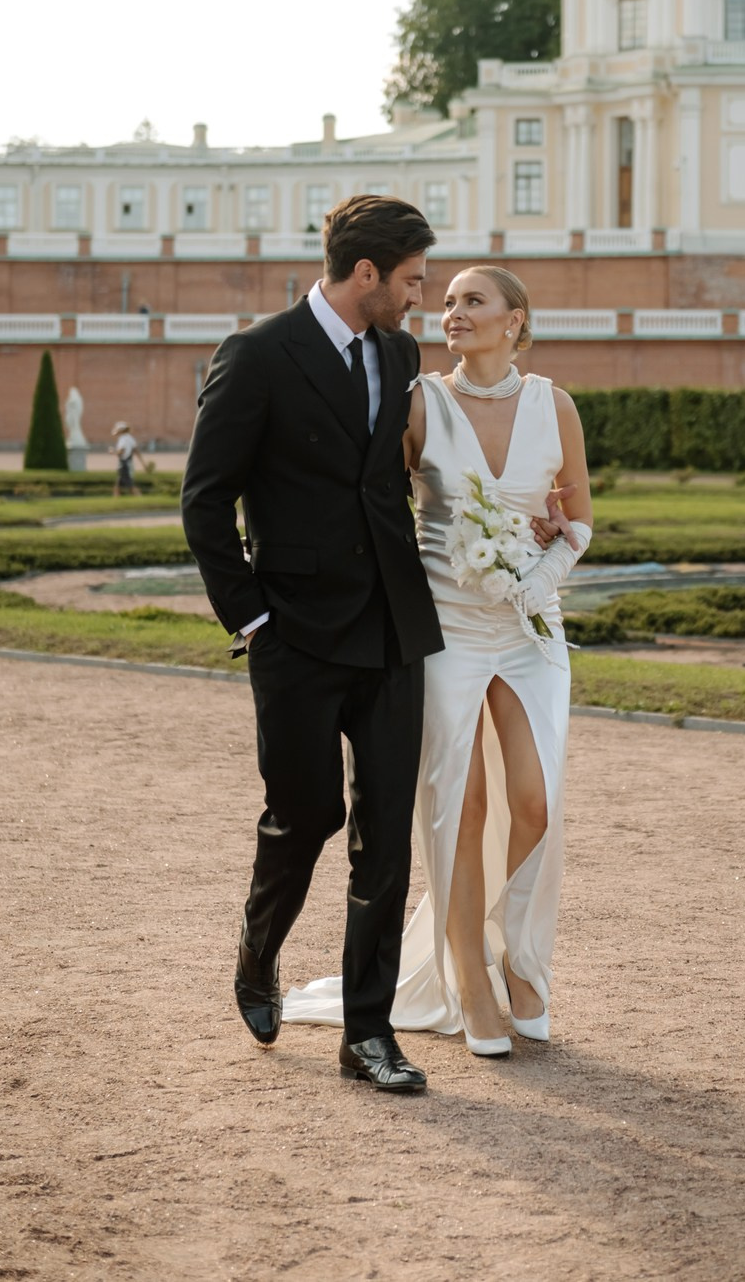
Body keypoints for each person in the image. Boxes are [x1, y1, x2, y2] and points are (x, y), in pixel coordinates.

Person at [284, 265, 593, 1057]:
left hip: (532, 627)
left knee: (538, 802)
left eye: (472, 301)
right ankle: (470, 974)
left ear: (515, 320)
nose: (451, 312)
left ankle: (519, 955)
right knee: (461, 802)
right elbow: (374, 500)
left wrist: (537, 576)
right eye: (447, 301)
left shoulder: (554, 405)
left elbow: (579, 520)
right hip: (446, 624)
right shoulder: (421, 401)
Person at [181, 194, 444, 1094]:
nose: (422, 296)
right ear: (366, 274)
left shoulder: (401, 352)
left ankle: (367, 1036)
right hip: (293, 634)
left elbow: (398, 480)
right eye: (412, 280)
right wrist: (250, 618)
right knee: (308, 817)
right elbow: (205, 501)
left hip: (394, 628)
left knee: (386, 836)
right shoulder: (256, 355)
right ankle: (258, 955)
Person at [109, 421, 146, 496]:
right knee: (118, 485)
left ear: (120, 430)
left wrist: (113, 451)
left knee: (130, 485)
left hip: (124, 464)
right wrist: (144, 464)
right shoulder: (130, 438)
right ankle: (116, 499)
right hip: (129, 463)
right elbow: (136, 451)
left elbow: (121, 452)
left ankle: (139, 497)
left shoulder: (122, 439)